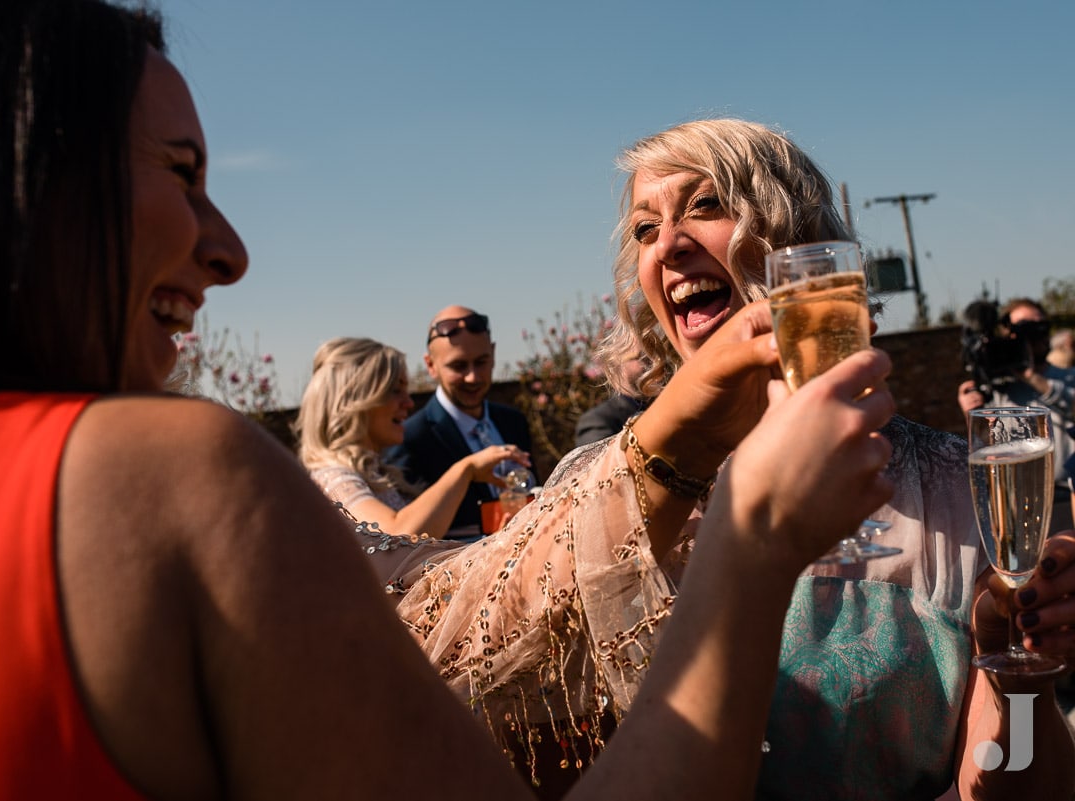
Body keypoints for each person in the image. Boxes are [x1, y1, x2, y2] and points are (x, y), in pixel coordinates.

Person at [0, 3, 908, 799]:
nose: (230, 250)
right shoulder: (160, 477)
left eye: (712, 206)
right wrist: (754, 533)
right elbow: (428, 618)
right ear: (18, 181)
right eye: (183, 173)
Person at [368, 119, 1075, 800]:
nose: (667, 245)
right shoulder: (601, 503)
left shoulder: (960, 492)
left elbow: (1017, 777)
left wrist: (1018, 675)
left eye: (705, 206)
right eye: (645, 229)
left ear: (796, 243)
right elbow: (485, 699)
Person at [297, 336, 530, 539]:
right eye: (395, 391)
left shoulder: (378, 474)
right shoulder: (333, 480)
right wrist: (465, 470)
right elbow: (396, 539)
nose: (408, 403)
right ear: (354, 402)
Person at [385, 305, 533, 539]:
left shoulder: (513, 421)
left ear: (493, 354)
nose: (472, 377)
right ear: (431, 366)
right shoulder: (409, 440)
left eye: (481, 362)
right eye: (458, 366)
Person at [958, 297, 1075, 534]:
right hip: (1017, 501)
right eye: (1020, 328)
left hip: (1066, 500)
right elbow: (988, 447)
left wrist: (1033, 378)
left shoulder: (1068, 376)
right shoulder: (999, 387)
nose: (1030, 335)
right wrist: (972, 415)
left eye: (1037, 326)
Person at [573, 354, 650, 447]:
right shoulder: (597, 420)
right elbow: (601, 460)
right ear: (614, 368)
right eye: (641, 357)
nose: (654, 362)